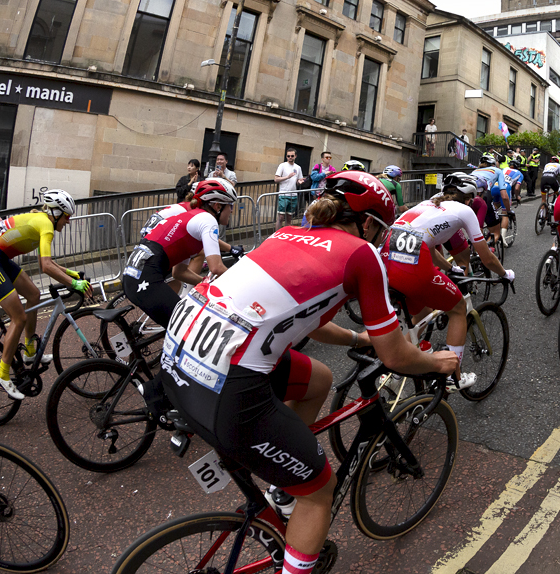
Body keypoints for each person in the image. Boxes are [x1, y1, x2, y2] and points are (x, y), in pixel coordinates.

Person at [159, 170, 460, 574]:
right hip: (227, 384)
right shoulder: (360, 251)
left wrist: (357, 339)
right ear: (368, 222)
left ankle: (284, 481)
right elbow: (396, 358)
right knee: (320, 492)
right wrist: (439, 361)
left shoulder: (283, 235)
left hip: (179, 359)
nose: (377, 240)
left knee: (318, 378)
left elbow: (307, 318)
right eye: (379, 231)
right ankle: (296, 506)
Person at [382, 172, 514, 392]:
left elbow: (428, 245)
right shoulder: (465, 210)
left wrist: (450, 268)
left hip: (388, 255)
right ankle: (453, 375)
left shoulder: (428, 203)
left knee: (422, 312)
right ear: (470, 198)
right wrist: (505, 274)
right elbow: (486, 257)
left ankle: (396, 369)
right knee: (458, 308)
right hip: (413, 259)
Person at [0, 189, 89, 400]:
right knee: (18, 317)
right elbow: (46, 267)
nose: (68, 221)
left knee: (34, 295)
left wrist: (70, 272)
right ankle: (2, 373)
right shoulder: (46, 226)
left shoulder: (42, 221)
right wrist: (74, 284)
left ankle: (29, 351)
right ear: (55, 214)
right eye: (67, 217)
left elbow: (44, 262)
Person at [123, 178, 236, 329]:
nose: (233, 211)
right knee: (187, 329)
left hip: (135, 275)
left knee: (183, 324)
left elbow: (179, 272)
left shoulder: (193, 218)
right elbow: (216, 267)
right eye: (231, 206)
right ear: (218, 206)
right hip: (145, 278)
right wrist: (241, 285)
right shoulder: (208, 220)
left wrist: (205, 283)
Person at [471, 153, 511, 245]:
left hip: (469, 197)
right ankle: (485, 254)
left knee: (475, 228)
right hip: (484, 196)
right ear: (493, 164)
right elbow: (504, 196)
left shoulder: (474, 171)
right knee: (495, 233)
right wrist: (508, 211)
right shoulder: (497, 170)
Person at [275, 148, 305, 230]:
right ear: (286, 156)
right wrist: (287, 177)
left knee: (289, 218)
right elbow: (276, 179)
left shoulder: (298, 167)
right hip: (283, 194)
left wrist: (300, 182)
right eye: (288, 156)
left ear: (295, 156)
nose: (290, 157)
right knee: (281, 217)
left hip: (293, 195)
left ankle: (286, 234)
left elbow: (299, 180)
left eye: (292, 156)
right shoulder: (282, 165)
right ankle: (276, 234)